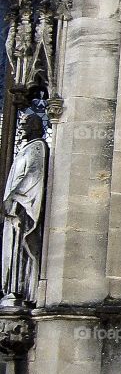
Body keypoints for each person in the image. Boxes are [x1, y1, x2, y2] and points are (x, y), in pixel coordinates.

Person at [0, 111, 47, 304]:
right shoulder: (24, 149)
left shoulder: (37, 147)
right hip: (14, 210)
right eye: (19, 123)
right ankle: (12, 291)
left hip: (23, 208)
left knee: (22, 249)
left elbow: (33, 177)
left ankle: (21, 291)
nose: (20, 127)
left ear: (35, 126)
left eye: (25, 123)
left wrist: (17, 199)